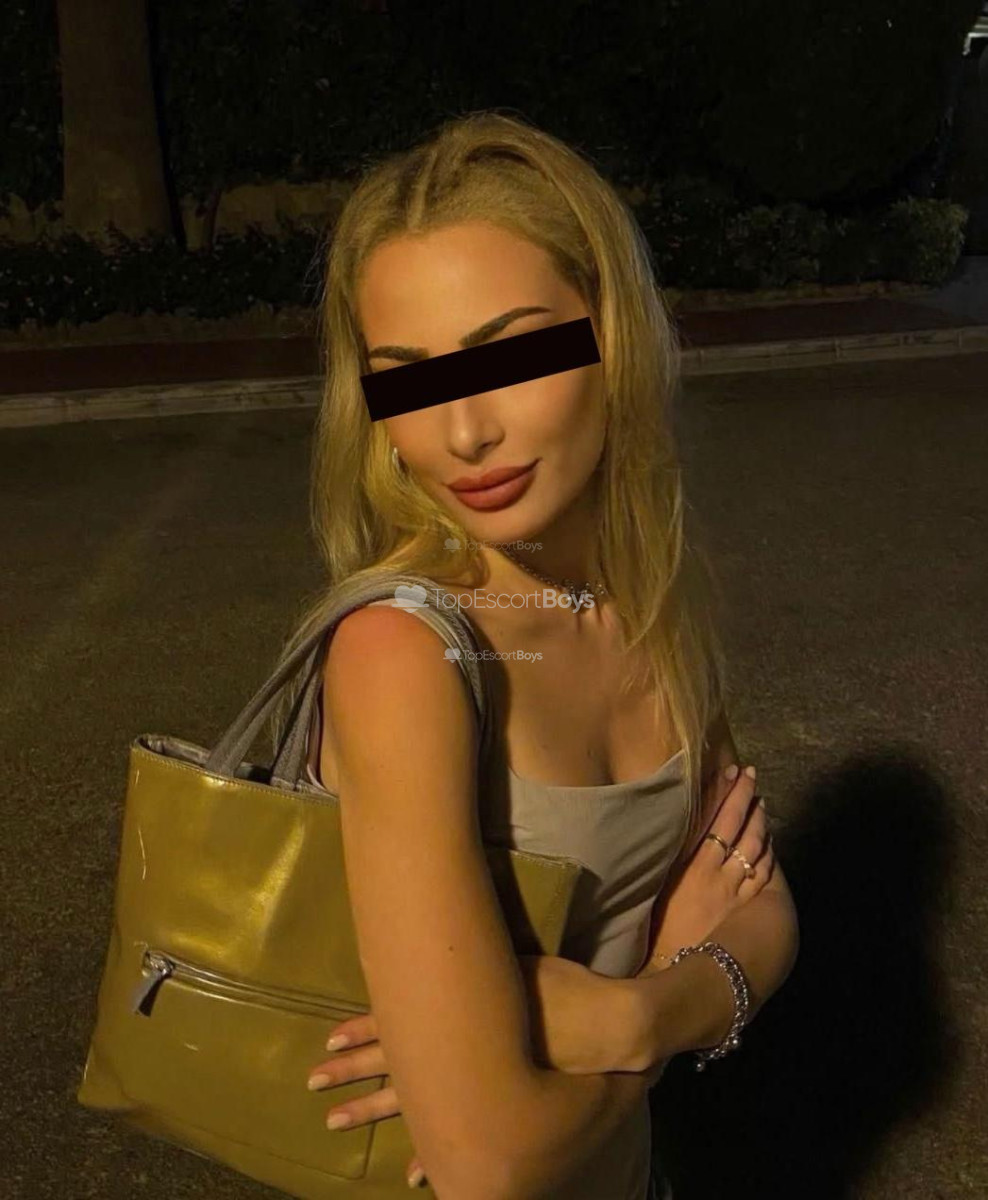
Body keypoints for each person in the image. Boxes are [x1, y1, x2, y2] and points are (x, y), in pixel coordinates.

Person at [267, 110, 799, 1198]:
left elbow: (763, 906)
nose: (463, 433)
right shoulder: (404, 656)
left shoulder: (646, 603)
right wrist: (667, 1003)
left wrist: (638, 1009)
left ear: (612, 336)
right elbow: (490, 1165)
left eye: (511, 355)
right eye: (407, 378)